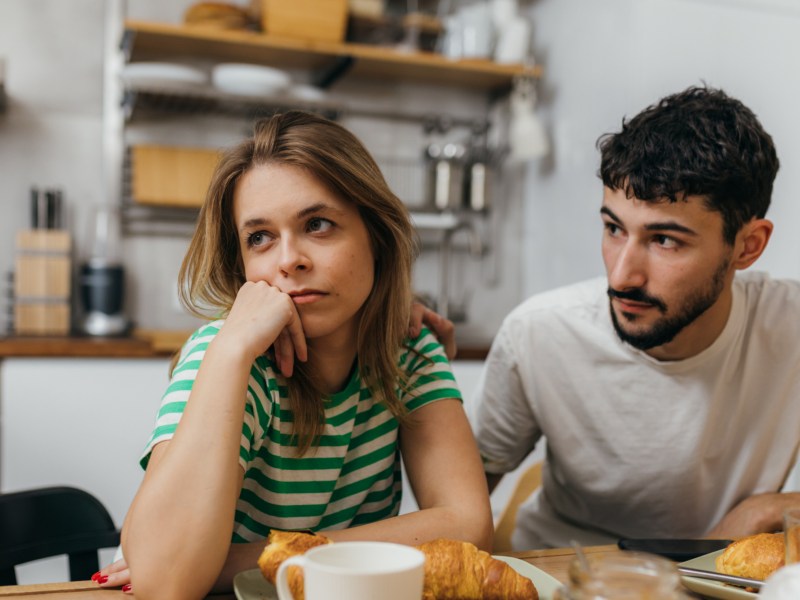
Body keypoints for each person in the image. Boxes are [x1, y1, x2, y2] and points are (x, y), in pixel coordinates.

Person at [95, 111, 492, 599]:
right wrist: (230, 350)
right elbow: (163, 582)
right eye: (259, 238)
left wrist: (239, 560)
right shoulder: (230, 358)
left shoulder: (407, 348)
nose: (288, 260)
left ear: (377, 237)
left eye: (318, 224)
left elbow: (469, 524)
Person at [475, 85, 800, 550]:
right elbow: (455, 506)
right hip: (555, 576)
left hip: (707, 582)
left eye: (665, 240)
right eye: (613, 229)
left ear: (747, 246)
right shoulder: (540, 334)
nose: (622, 275)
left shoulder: (789, 328)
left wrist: (766, 510)